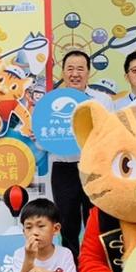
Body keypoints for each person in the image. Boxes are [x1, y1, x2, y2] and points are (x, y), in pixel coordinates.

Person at [49, 50, 96, 253]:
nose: (75, 73)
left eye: (80, 69)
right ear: (63, 72)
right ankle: (71, 271)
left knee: (95, 219)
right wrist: (38, 137)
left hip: (93, 167)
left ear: (88, 72)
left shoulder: (101, 101)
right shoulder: (50, 102)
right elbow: (45, 141)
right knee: (67, 222)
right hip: (63, 168)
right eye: (70, 68)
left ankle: (96, 267)